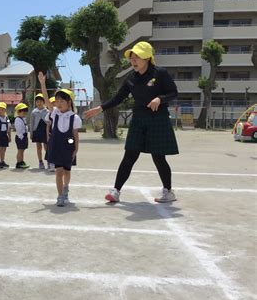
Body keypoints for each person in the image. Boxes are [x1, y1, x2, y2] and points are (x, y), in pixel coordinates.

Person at [84, 41, 179, 203]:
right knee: (129, 155)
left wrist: (159, 98)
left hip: (158, 119)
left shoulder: (160, 73)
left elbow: (173, 92)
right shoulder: (131, 78)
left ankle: (168, 191)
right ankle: (116, 191)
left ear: (147, 58)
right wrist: (100, 108)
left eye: (137, 57)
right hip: (139, 119)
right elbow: (118, 98)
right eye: (132, 57)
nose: (133, 61)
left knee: (158, 157)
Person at [39, 74, 82, 207]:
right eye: (57, 101)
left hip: (68, 147)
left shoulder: (74, 118)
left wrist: (76, 149)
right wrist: (42, 84)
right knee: (58, 171)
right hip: (56, 146)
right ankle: (60, 196)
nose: (58, 104)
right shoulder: (55, 113)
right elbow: (46, 100)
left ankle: (66, 188)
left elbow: (75, 135)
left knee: (67, 171)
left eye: (61, 101)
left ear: (69, 103)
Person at [30, 93, 49, 169]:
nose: (39, 103)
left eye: (40, 101)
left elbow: (49, 122)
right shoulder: (34, 112)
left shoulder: (47, 111)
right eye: (37, 101)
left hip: (45, 130)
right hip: (37, 130)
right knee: (38, 147)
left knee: (46, 146)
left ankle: (48, 160)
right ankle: (40, 162)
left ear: (44, 102)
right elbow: (31, 123)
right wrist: (31, 133)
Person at [14, 103, 30, 169]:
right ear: (18, 112)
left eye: (25, 111)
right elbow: (19, 130)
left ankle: (21, 161)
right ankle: (18, 163)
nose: (23, 112)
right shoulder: (18, 120)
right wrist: (22, 138)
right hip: (20, 137)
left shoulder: (23, 119)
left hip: (24, 136)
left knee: (22, 150)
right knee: (20, 150)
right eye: (21, 111)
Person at [45, 96, 56, 172]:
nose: (53, 105)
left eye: (54, 103)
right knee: (50, 149)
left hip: (58, 134)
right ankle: (50, 163)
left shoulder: (60, 113)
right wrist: (47, 136)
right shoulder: (48, 114)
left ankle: (56, 163)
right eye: (52, 103)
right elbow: (48, 126)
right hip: (51, 134)